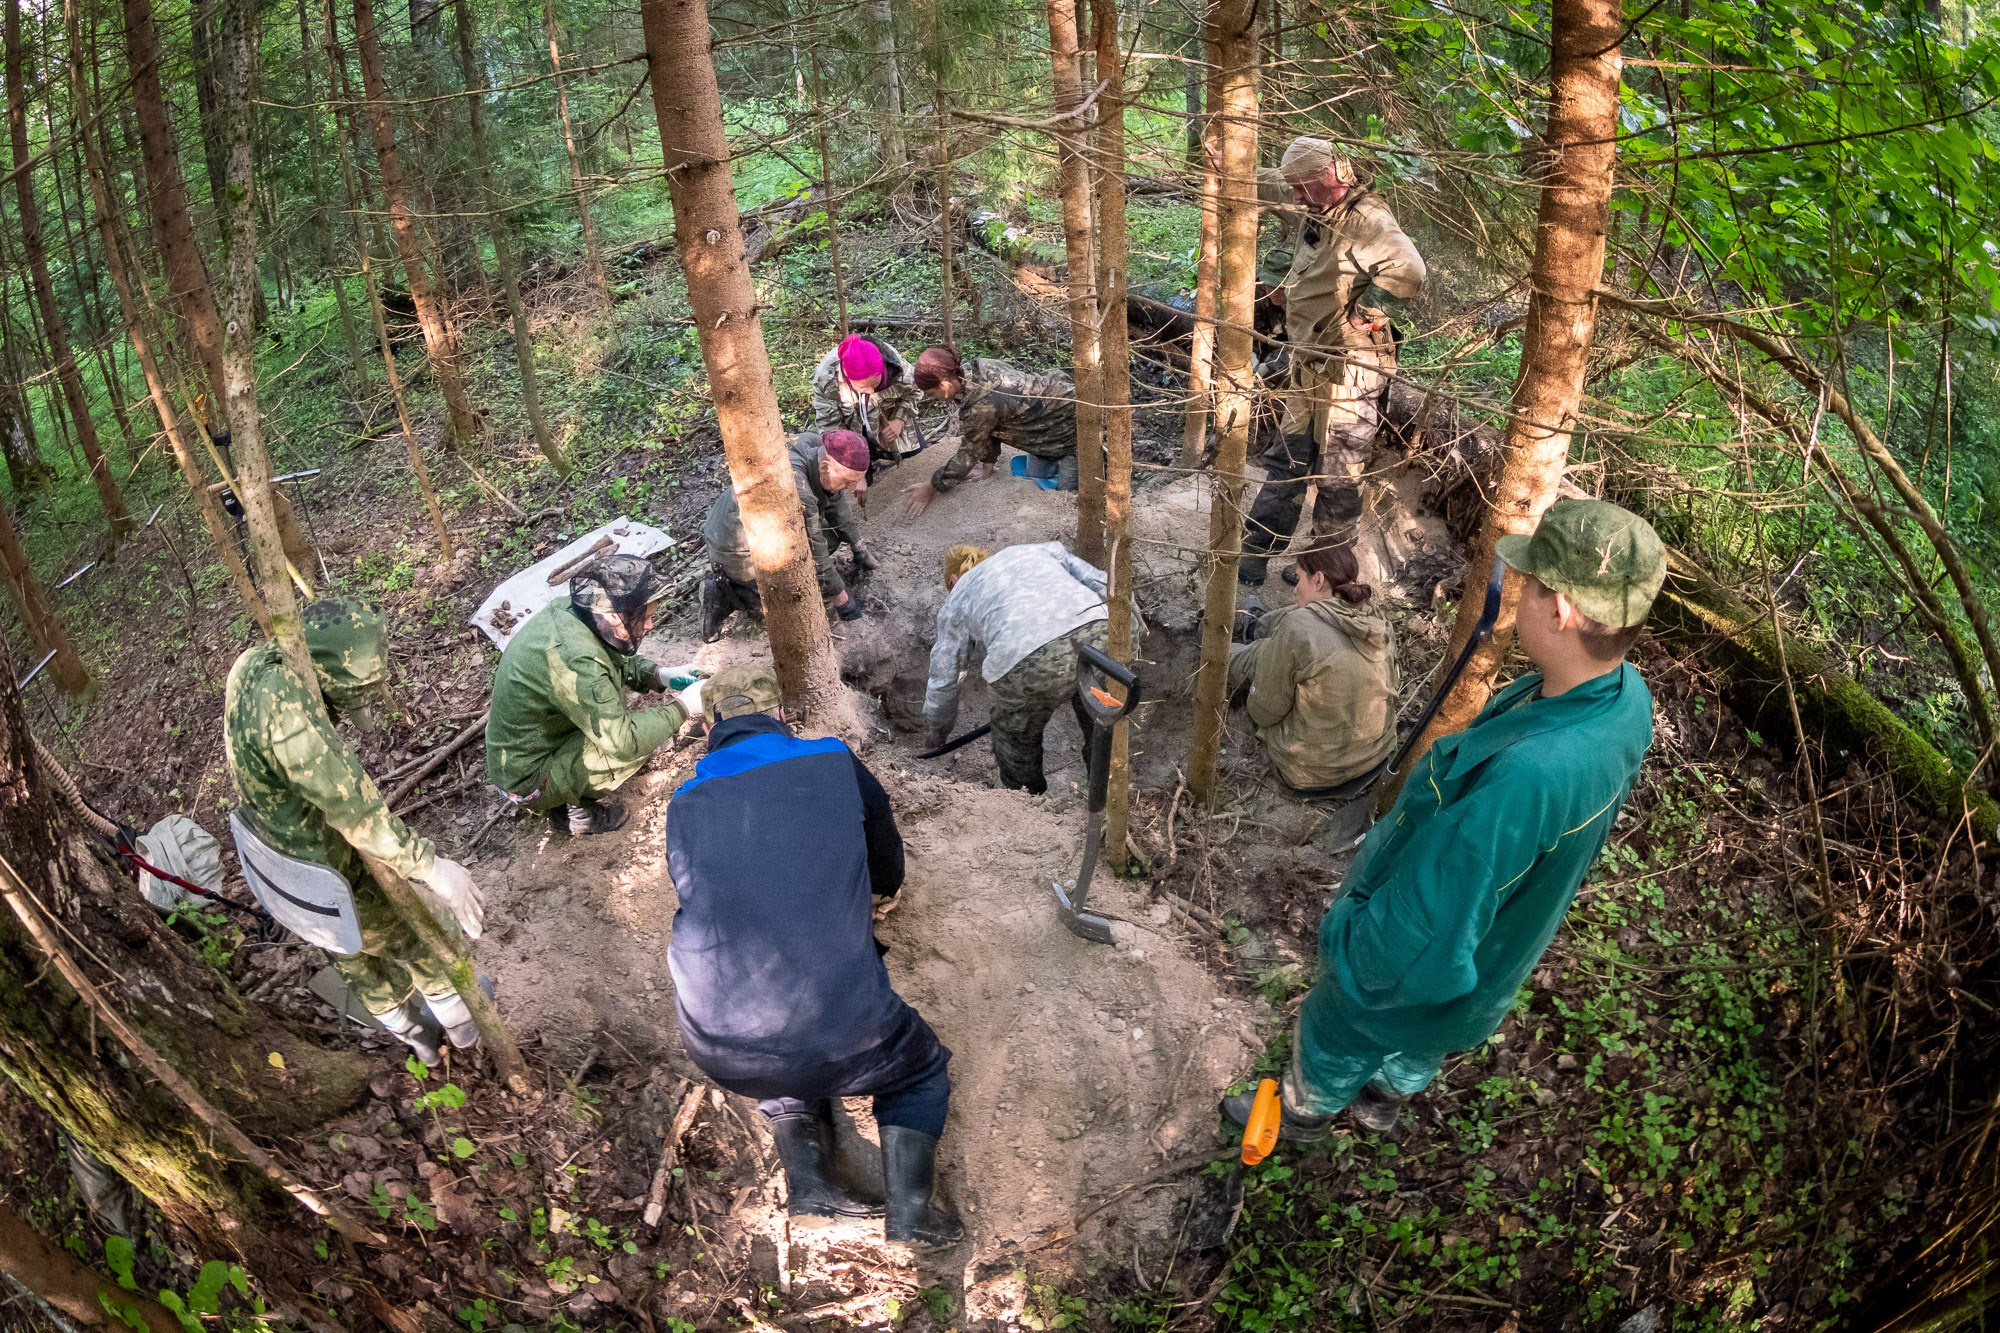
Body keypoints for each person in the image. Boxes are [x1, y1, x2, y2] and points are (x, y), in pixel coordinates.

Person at [1222, 500, 1664, 1139]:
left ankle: (1303, 1113)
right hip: (1489, 970)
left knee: (1336, 1033)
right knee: (1419, 1049)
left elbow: (1420, 935)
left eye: (1531, 585)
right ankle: (1384, 1099)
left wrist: (1348, 945)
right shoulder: (1623, 699)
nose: (1518, 594)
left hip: (1408, 975)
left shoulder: (1526, 779)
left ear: (1562, 611)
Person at [665, 662, 963, 1246]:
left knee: (776, 1050)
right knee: (919, 1072)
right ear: (780, 716)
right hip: (841, 1028)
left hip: (718, 1044)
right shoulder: (831, 759)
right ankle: (912, 1213)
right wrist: (882, 893)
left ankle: (812, 1187)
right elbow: (885, 853)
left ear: (710, 731)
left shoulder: (684, 803)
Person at [224, 597, 487, 1064]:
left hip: (273, 862)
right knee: (420, 930)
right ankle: (461, 1022)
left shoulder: (254, 665)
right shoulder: (291, 712)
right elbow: (355, 812)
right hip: (322, 869)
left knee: (349, 953)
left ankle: (413, 1035)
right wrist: (430, 866)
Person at [1241, 136, 1426, 591]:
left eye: (1304, 187)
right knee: (1286, 462)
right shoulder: (1311, 196)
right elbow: (1271, 185)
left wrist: (1366, 309)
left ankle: (1322, 573)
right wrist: (1230, 163)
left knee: (1338, 478)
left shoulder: (1367, 221)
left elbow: (1412, 274)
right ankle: (1252, 562)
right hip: (1309, 362)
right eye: (1294, 187)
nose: (1296, 196)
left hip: (1351, 371)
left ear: (1332, 178)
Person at [487, 555, 704, 836]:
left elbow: (609, 658)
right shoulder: (575, 657)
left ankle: (567, 785)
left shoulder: (579, 613)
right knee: (634, 744)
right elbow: (623, 741)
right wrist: (685, 706)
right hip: (527, 779)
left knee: (635, 728)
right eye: (646, 617)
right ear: (614, 616)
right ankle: (571, 809)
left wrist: (660, 674)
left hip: (538, 747)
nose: (649, 625)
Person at [921, 543, 1108, 795]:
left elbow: (946, 675)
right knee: (1104, 727)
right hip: (1097, 636)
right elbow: (1105, 583)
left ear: (954, 579)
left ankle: (1029, 807)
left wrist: (938, 728)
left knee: (1016, 748)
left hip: (1025, 663)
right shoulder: (1038, 550)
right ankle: (1106, 798)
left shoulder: (958, 596)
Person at [1228, 543, 1400, 794]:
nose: (1294, 589)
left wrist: (1268, 661)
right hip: (1373, 761)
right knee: (1296, 625)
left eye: (1298, 579)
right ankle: (1255, 625)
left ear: (1318, 579)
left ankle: (1219, 643)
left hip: (1310, 773)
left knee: (1263, 651)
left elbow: (1264, 713)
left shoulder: (1299, 627)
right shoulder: (1376, 617)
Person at [700, 429, 877, 641]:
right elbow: (815, 554)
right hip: (735, 545)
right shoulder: (796, 489)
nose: (852, 488)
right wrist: (844, 601)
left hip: (744, 527)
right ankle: (730, 596)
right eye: (848, 481)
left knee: (832, 537)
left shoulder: (813, 445)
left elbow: (835, 500)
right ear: (825, 467)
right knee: (794, 590)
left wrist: (859, 547)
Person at [898, 347, 1079, 519]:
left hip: (1070, 424)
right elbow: (992, 426)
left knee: (1065, 497)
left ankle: (1076, 461)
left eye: (931, 393)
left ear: (945, 385)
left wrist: (931, 486)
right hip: (1039, 422)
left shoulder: (981, 406)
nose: (932, 399)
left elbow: (968, 454)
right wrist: (988, 465)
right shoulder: (977, 368)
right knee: (1037, 474)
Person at [810, 334, 923, 470]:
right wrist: (850, 466)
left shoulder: (898, 368)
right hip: (852, 433)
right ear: (847, 376)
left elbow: (916, 389)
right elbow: (830, 428)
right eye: (863, 387)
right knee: (858, 476)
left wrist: (899, 419)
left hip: (891, 422)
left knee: (917, 462)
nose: (870, 391)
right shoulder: (827, 378)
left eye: (876, 383)